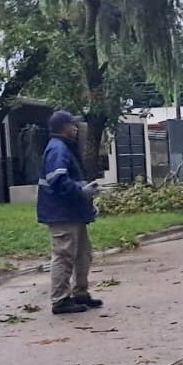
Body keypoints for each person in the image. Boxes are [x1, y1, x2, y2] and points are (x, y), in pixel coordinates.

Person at [37, 110, 103, 314]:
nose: (75, 128)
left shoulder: (64, 147)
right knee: (64, 255)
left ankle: (80, 293)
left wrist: (86, 197)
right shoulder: (58, 149)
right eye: (72, 125)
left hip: (72, 212)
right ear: (63, 127)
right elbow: (58, 181)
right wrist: (82, 191)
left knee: (83, 254)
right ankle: (60, 300)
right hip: (61, 213)